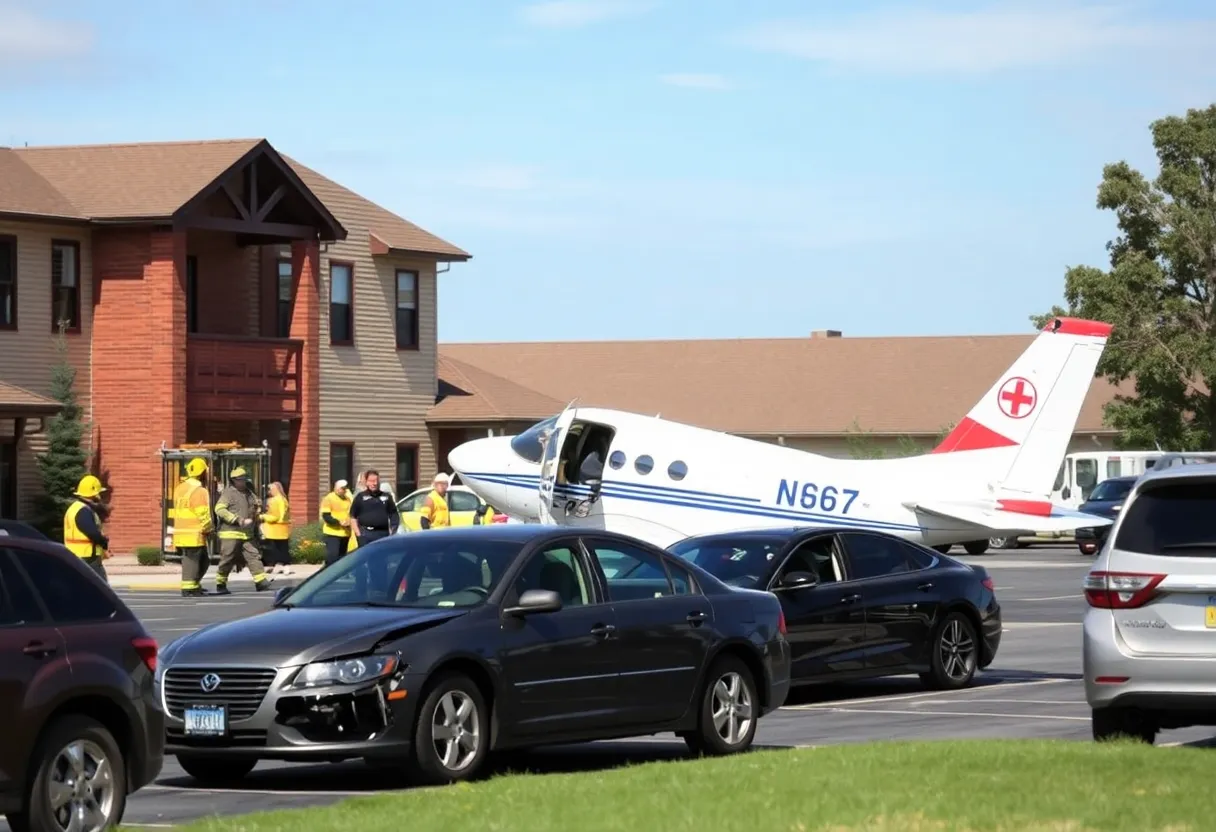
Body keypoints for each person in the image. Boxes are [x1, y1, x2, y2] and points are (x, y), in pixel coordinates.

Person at [213, 467, 273, 594]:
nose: (242, 482)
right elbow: (219, 509)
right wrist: (236, 519)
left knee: (254, 556)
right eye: (239, 480)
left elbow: (256, 507)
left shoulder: (249, 493)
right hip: (230, 533)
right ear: (233, 481)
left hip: (247, 534)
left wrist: (258, 509)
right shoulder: (229, 493)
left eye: (244, 480)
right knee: (227, 559)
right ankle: (221, 584)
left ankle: (261, 582)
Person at [174, 457, 214, 597]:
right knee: (193, 561)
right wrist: (209, 529)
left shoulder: (180, 488)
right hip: (194, 533)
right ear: (202, 473)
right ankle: (189, 588)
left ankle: (194, 585)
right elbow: (203, 513)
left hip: (181, 532)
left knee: (202, 560)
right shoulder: (199, 491)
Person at [62, 474, 111, 581]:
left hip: (76, 555)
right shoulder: (83, 510)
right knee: (100, 589)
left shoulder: (75, 508)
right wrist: (104, 542)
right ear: (95, 494)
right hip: (88, 557)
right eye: (99, 493)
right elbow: (92, 533)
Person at [349, 469, 399, 546]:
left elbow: (394, 514)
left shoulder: (386, 496)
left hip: (383, 534)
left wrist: (393, 531)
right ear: (366, 482)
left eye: (376, 481)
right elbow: (353, 516)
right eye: (371, 481)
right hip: (365, 534)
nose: (374, 483)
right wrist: (358, 534)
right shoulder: (360, 497)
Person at [259, 481, 292, 576]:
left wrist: (262, 517)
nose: (268, 491)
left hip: (274, 529)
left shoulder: (274, 500)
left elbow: (275, 516)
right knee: (282, 548)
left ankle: (281, 565)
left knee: (274, 549)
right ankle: (281, 565)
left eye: (270, 489)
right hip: (283, 529)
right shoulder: (283, 499)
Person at [319, 479, 353, 565]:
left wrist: (349, 522)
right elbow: (326, 516)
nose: (344, 490)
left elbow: (350, 513)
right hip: (332, 532)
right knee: (332, 556)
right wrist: (338, 522)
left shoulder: (347, 499)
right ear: (336, 488)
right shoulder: (329, 498)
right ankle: (328, 572)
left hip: (345, 532)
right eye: (342, 488)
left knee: (342, 556)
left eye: (345, 488)